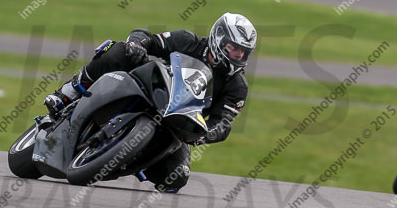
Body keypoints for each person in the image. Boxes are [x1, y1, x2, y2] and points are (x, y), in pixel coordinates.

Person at [45, 12, 256, 192]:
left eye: (243, 52)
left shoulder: (237, 86)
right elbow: (149, 38)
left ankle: (133, 159)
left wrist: (205, 134)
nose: (238, 55)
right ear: (218, 38)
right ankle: (68, 93)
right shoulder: (187, 41)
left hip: (178, 122)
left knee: (176, 179)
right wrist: (136, 43)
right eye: (233, 48)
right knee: (118, 50)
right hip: (154, 89)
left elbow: (223, 122)